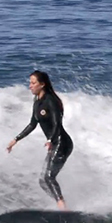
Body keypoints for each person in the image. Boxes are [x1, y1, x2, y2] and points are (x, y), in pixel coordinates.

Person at [6, 70, 73, 209]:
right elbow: (32, 124)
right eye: (30, 82)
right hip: (54, 143)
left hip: (62, 143)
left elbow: (57, 123)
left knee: (48, 177)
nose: (30, 86)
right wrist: (16, 139)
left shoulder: (51, 100)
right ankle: (62, 204)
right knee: (43, 181)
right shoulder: (37, 102)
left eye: (33, 83)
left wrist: (49, 139)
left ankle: (63, 207)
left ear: (42, 84)